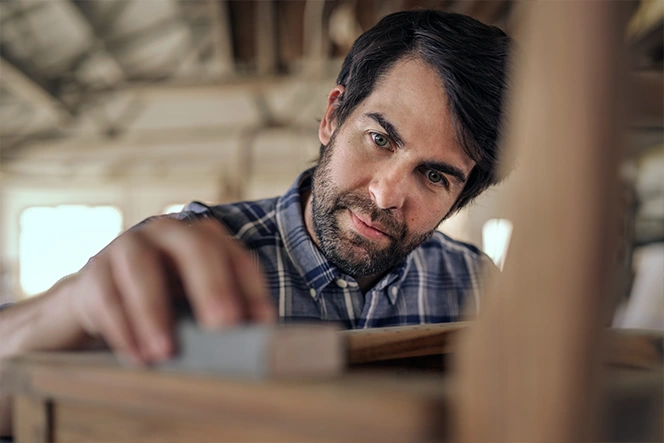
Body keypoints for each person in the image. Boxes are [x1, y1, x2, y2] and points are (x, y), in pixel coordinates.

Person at [0, 9, 510, 435]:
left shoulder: (478, 287)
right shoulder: (181, 259)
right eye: (380, 139)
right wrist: (72, 306)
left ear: (462, 195)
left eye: (436, 175)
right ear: (333, 116)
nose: (385, 194)